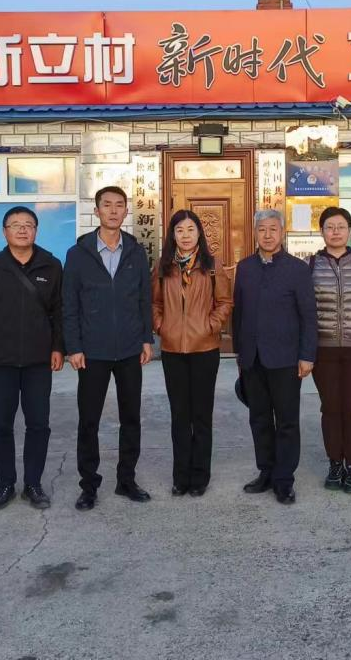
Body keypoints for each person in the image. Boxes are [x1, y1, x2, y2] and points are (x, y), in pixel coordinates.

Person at [63, 186, 154, 512]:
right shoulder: (79, 254)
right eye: (107, 205)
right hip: (92, 351)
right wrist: (73, 346)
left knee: (131, 418)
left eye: (119, 205)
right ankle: (88, 486)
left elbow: (144, 299)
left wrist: (146, 339)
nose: (113, 211)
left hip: (129, 349)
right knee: (89, 420)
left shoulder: (136, 252)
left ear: (126, 211)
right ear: (97, 211)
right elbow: (69, 304)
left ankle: (126, 480)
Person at [0, 206, 64, 512]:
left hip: (39, 361)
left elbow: (59, 311)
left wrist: (58, 348)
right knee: (1, 425)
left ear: (36, 230)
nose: (22, 229)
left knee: (38, 424)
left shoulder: (51, 265)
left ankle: (33, 484)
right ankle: (5, 484)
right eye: (15, 225)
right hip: (1, 361)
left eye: (28, 225)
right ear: (4, 231)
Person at [232, 209, 317, 505]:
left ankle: (284, 479)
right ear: (255, 233)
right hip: (253, 358)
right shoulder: (245, 268)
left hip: (286, 359)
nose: (267, 235)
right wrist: (240, 354)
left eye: (273, 229)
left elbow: (309, 316)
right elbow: (239, 314)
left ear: (282, 233)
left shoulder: (297, 269)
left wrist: (307, 355)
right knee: (259, 418)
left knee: (287, 421)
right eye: (262, 229)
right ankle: (265, 472)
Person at [151, 210, 234, 497]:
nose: (185, 236)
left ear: (199, 233)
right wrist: (161, 326)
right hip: (173, 349)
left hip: (204, 349)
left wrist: (210, 326)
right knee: (179, 415)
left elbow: (225, 302)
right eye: (179, 230)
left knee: (201, 415)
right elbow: (154, 303)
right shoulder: (163, 267)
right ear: (172, 235)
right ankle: (180, 476)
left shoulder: (212, 266)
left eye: (190, 230)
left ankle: (200, 476)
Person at [309, 206, 351, 494]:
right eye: (329, 227)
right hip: (323, 350)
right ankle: (335, 463)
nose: (335, 232)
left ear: (349, 230)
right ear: (321, 231)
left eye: (341, 227)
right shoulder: (311, 265)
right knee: (331, 408)